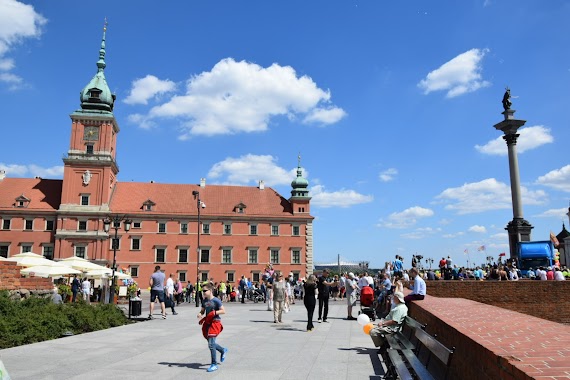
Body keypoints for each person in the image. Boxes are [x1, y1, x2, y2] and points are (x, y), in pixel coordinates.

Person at [197, 284, 228, 373]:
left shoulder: (216, 300)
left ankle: (214, 364)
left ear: (210, 291)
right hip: (207, 323)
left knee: (211, 344)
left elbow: (223, 310)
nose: (203, 293)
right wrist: (200, 314)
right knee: (211, 343)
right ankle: (222, 350)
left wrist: (214, 312)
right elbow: (203, 311)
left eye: (205, 291)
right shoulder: (204, 301)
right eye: (202, 291)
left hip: (215, 322)